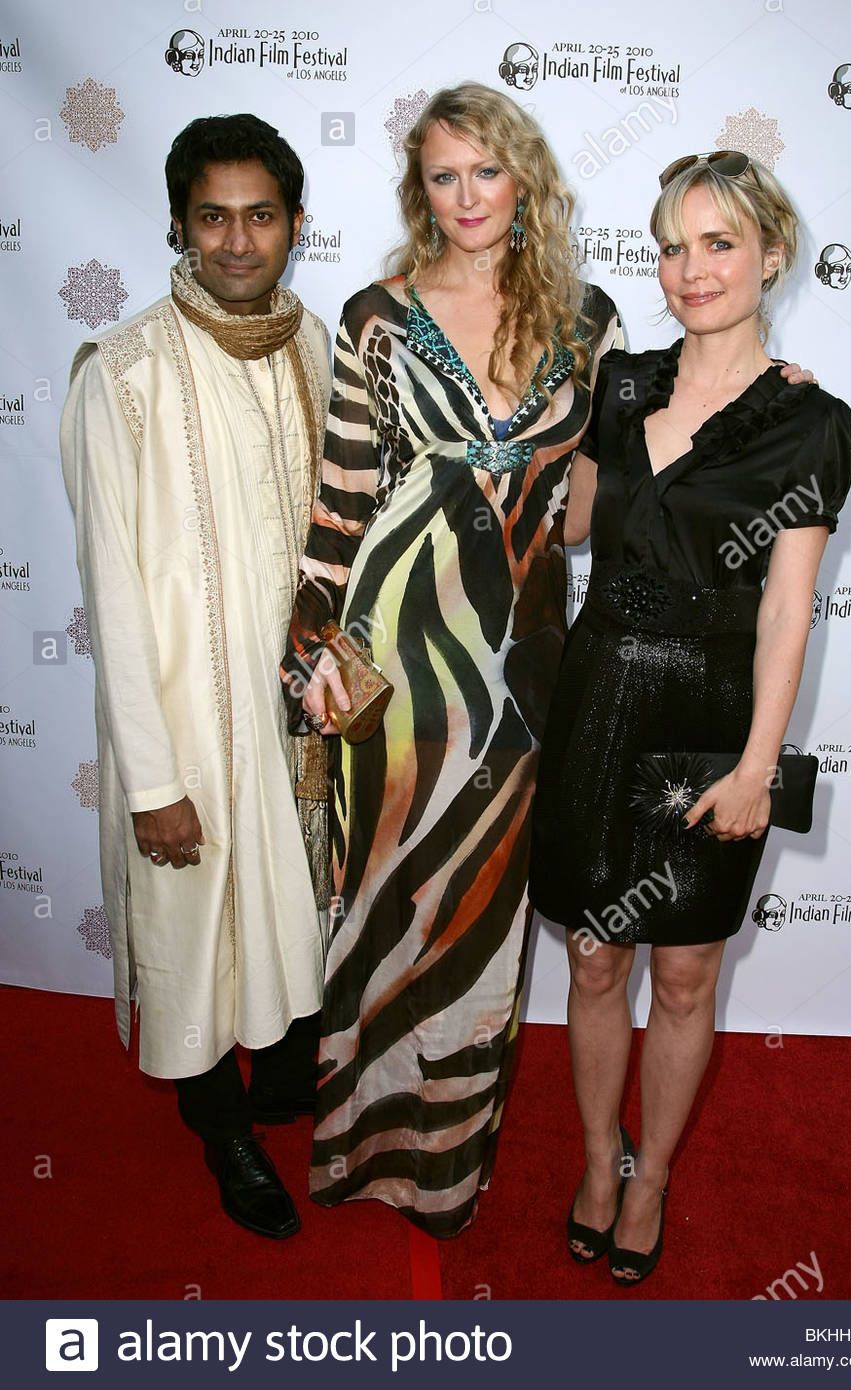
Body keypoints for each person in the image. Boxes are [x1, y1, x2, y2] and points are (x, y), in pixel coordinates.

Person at [280, 82, 619, 1237]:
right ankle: (364, 1148)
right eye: (443, 175)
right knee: (384, 904)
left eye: (487, 170)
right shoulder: (377, 316)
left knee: (479, 922)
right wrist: (311, 655)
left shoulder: (589, 322)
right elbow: (341, 501)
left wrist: (767, 401)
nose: (467, 196)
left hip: (519, 669)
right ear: (418, 191)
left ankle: (443, 1170)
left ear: (524, 180)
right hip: (399, 660)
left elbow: (591, 503)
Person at [529, 150, 851, 1284]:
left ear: (772, 254)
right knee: (594, 961)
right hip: (597, 697)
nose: (692, 269)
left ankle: (651, 1176)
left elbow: (787, 608)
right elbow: (574, 529)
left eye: (719, 242)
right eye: (672, 246)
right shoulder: (620, 386)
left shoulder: (809, 421)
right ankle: (595, 1159)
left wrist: (759, 763)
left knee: (682, 976)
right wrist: (560, 413)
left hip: (709, 720)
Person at [60, 114, 332, 1240]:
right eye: (212, 217)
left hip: (297, 720)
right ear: (178, 224)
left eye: (259, 216)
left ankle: (279, 1085)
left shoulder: (316, 346)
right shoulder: (121, 374)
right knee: (195, 935)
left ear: (294, 225)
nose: (236, 241)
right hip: (185, 729)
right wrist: (150, 781)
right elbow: (114, 592)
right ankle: (220, 1128)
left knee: (288, 911)